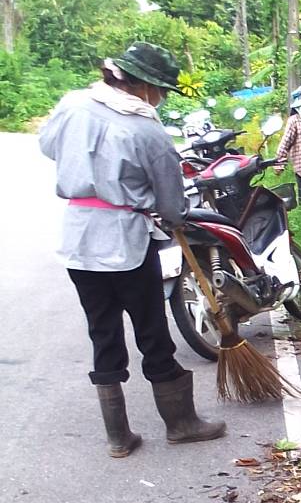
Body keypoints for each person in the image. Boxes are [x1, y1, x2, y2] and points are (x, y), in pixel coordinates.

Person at [39, 42, 226, 457]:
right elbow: (172, 204)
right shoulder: (148, 129)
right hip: (126, 242)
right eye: (160, 89)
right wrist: (173, 218)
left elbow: (49, 147)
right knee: (152, 333)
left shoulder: (72, 104)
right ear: (143, 85)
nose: (159, 98)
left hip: (79, 241)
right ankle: (181, 424)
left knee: (102, 332)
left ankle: (118, 438)